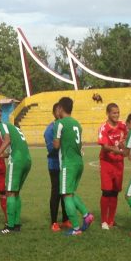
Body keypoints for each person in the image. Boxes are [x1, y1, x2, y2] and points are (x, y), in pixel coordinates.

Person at [53, 96, 94, 236]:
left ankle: (76, 228)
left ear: (60, 108)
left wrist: (55, 142)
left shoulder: (60, 123)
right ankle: (86, 215)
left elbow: (56, 145)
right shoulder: (77, 124)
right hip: (78, 162)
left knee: (66, 195)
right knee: (71, 192)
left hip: (68, 163)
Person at [0, 118, 31, 234]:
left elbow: (7, 139)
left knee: (9, 192)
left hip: (17, 160)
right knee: (16, 192)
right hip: (27, 160)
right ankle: (16, 223)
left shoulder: (2, 126)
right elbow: (10, 151)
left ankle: (9, 226)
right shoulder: (15, 129)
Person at [97, 103, 127, 230]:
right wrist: (118, 151)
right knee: (107, 191)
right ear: (108, 113)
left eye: (117, 112)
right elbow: (104, 146)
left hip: (119, 163)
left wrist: (123, 145)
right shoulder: (103, 128)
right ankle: (104, 221)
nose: (116, 115)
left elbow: (127, 140)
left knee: (115, 192)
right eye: (114, 113)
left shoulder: (123, 126)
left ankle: (111, 220)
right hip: (107, 163)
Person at [44, 103, 71, 232]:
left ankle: (65, 220)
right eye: (60, 111)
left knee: (65, 192)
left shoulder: (66, 126)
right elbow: (51, 149)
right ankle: (54, 222)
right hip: (55, 165)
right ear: (55, 113)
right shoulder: (50, 129)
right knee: (56, 193)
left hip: (66, 164)